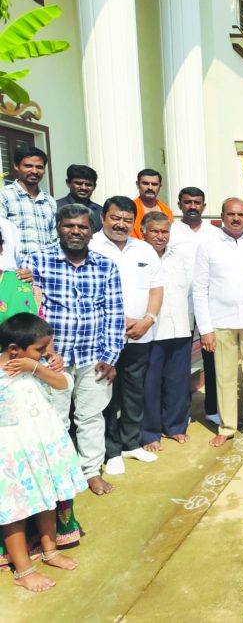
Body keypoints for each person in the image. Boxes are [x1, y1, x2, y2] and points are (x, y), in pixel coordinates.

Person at [26, 204, 125, 495]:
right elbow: (30, 309)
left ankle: (90, 471)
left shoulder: (106, 266)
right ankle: (58, 473)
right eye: (69, 225)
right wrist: (43, 353)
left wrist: (110, 357)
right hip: (51, 359)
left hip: (93, 357)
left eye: (82, 226)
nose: (76, 231)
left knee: (91, 417)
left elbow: (114, 313)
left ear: (92, 231)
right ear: (58, 227)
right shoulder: (36, 262)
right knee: (54, 419)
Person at [0, 313, 87, 592]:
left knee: (50, 497)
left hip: (44, 445)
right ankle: (24, 570)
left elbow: (62, 384)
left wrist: (37, 366)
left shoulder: (36, 367)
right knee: (15, 509)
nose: (46, 352)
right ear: (14, 349)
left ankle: (50, 551)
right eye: (40, 349)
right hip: (12, 455)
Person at [91, 196, 164, 475]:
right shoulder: (91, 245)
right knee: (106, 392)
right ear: (103, 218)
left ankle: (131, 443)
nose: (121, 224)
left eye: (127, 220)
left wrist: (149, 319)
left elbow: (156, 288)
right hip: (102, 337)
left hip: (139, 334)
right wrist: (115, 322)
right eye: (115, 218)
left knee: (134, 390)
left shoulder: (144, 249)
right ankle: (111, 451)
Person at [193, 198, 243, 448]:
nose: (236, 218)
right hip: (221, 321)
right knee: (224, 376)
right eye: (231, 214)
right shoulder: (208, 245)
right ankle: (226, 427)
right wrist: (205, 329)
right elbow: (199, 289)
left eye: (240, 214)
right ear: (222, 216)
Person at [140, 212, 195, 451]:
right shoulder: (138, 256)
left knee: (178, 381)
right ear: (143, 231)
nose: (160, 236)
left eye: (164, 231)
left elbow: (190, 290)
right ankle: (150, 432)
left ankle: (175, 426)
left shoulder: (179, 257)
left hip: (180, 327)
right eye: (155, 231)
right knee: (150, 384)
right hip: (150, 331)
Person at [169, 187, 221, 424]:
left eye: (197, 202)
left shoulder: (215, 233)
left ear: (204, 206)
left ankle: (212, 409)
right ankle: (181, 412)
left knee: (212, 359)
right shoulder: (171, 231)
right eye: (187, 202)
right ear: (179, 205)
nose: (192, 206)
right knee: (180, 361)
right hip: (180, 304)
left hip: (211, 304)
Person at [0, 146, 57, 258]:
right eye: (28, 166)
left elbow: (54, 238)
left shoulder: (49, 201)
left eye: (39, 167)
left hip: (44, 265)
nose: (34, 171)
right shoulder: (4, 195)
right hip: (15, 266)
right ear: (16, 166)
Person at [55, 165, 103, 232]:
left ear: (94, 186)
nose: (83, 188)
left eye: (88, 184)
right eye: (78, 183)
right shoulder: (55, 208)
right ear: (68, 183)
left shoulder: (101, 212)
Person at [131, 169, 173, 239]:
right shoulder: (130, 208)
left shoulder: (166, 210)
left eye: (154, 184)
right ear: (137, 185)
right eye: (145, 183)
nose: (150, 188)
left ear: (160, 186)